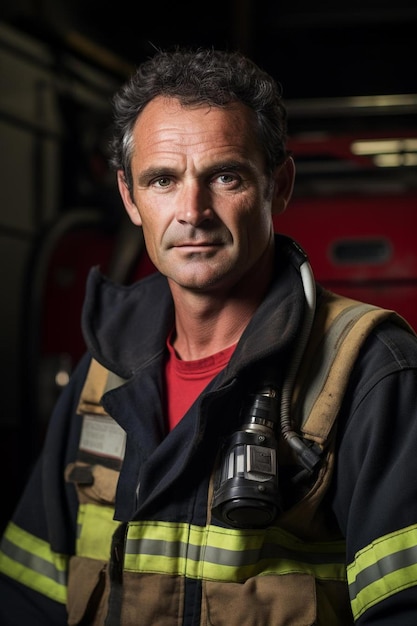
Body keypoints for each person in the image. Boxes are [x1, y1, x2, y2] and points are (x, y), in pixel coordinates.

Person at [0, 47, 417, 626]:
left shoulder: (369, 372)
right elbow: (28, 595)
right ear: (130, 198)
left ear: (279, 186)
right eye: (163, 180)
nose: (192, 211)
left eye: (225, 176)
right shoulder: (102, 375)